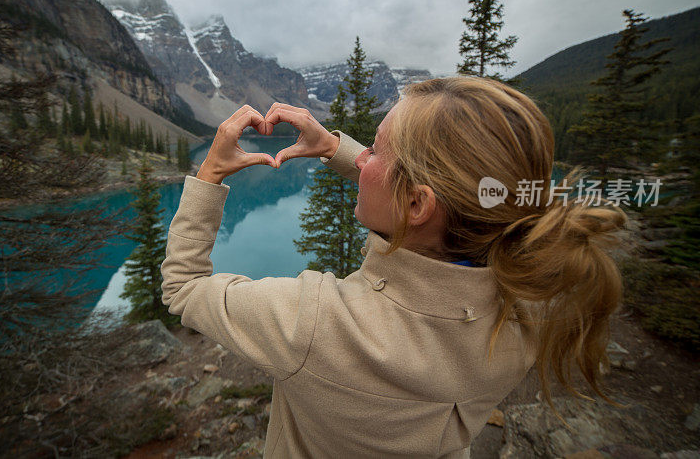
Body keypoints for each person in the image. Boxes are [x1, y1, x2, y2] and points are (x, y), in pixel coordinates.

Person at [161, 77, 627, 458]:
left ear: (418, 202)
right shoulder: (529, 303)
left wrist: (210, 175)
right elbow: (430, 206)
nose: (361, 156)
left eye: (376, 151)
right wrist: (332, 148)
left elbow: (183, 286)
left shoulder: (314, 322)